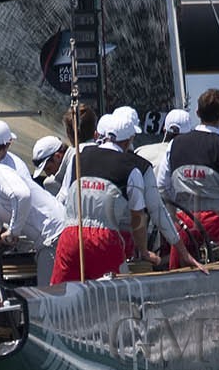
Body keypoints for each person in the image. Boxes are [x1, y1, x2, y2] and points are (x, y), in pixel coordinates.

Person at [52, 116, 153, 284]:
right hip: (103, 240)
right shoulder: (132, 168)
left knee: (61, 293)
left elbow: (64, 197)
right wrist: (144, 251)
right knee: (116, 294)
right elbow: (138, 217)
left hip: (70, 235)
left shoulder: (77, 158)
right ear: (129, 140)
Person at [158, 89, 219, 268]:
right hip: (218, 225)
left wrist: (174, 216)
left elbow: (162, 186)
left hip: (184, 223)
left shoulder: (174, 145)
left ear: (197, 113)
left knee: (179, 276)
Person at [107, 108, 201, 272]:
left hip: (119, 231)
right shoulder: (181, 156)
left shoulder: (141, 151)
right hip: (158, 227)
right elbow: (161, 201)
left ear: (164, 129)